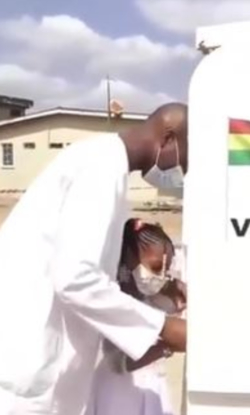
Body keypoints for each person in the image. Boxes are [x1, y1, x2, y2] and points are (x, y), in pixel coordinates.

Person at [0, 103, 189, 415]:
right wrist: (164, 327)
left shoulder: (102, 165)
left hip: (42, 372)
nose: (183, 172)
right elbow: (76, 278)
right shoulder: (101, 167)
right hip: (28, 375)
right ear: (168, 139)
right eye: (186, 161)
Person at [86, 218, 185, 415]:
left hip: (148, 390)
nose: (161, 276)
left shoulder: (151, 297)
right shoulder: (114, 300)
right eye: (155, 267)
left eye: (165, 270)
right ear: (131, 257)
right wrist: (168, 346)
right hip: (118, 395)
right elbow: (119, 362)